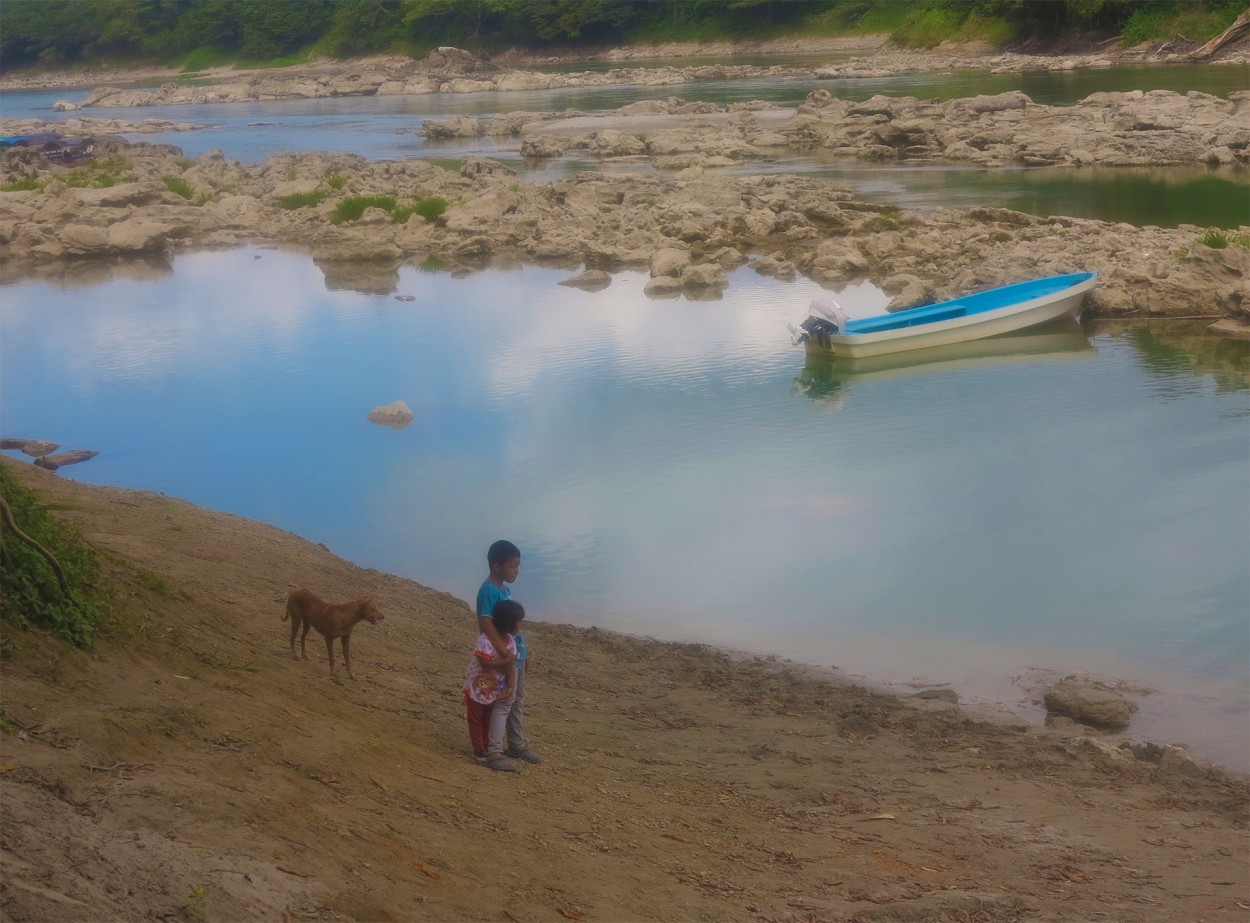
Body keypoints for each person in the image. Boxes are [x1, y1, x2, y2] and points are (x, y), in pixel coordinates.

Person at [476, 540, 543, 766]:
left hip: (516, 654)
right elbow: (487, 624)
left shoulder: (504, 589)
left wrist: (524, 654)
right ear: (497, 566)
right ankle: (494, 751)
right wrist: (505, 654)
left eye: (518, 565)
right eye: (513, 566)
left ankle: (516, 745)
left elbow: (512, 626)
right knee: (504, 700)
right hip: (505, 656)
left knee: (517, 700)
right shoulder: (488, 590)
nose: (517, 571)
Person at [463, 599, 523, 772]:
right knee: (476, 718)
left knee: (487, 716)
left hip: (493, 688)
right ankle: (478, 750)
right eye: (519, 621)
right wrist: (506, 660)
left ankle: (487, 745)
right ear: (509, 623)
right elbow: (485, 664)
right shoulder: (485, 640)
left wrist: (510, 684)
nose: (520, 625)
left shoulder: (510, 641)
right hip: (478, 686)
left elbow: (510, 664)